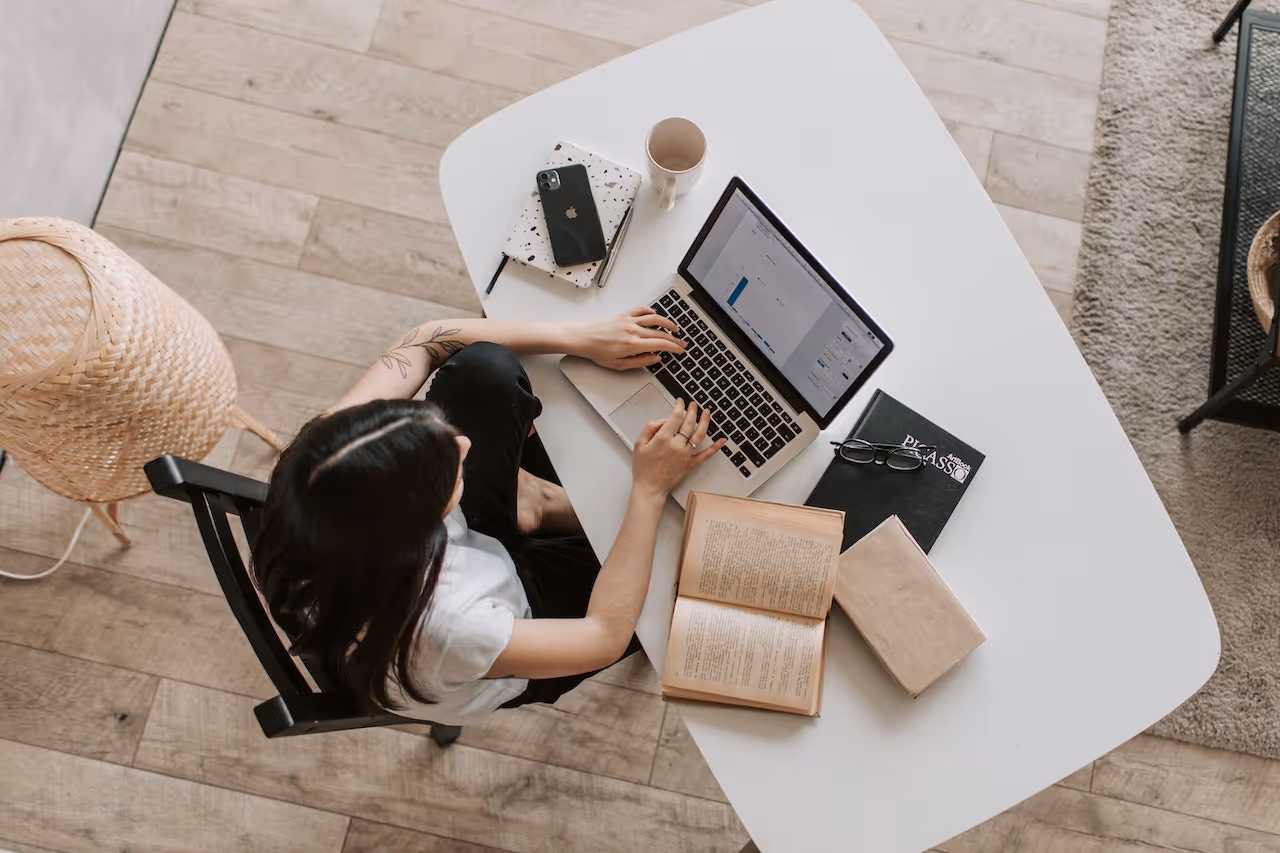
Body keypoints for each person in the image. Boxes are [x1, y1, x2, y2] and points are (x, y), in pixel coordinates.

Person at [251, 309, 725, 725]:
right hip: (517, 626)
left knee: (483, 369)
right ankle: (535, 508)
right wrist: (648, 489)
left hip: (431, 569)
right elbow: (602, 636)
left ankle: (529, 506)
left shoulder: (323, 463)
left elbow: (425, 340)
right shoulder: (452, 626)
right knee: (684, 566)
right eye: (447, 471)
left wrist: (578, 336)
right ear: (421, 529)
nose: (463, 444)